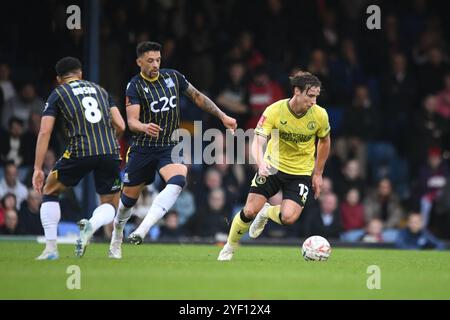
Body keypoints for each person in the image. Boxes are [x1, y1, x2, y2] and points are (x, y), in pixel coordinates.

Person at [109, 41, 237, 259]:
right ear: (139, 62)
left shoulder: (173, 77)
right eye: (150, 61)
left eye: (158, 59)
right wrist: (143, 126)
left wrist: (222, 116)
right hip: (142, 149)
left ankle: (143, 229)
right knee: (127, 203)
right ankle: (116, 237)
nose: (155, 64)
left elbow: (197, 97)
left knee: (178, 180)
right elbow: (131, 122)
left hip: (166, 146)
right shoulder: (134, 86)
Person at [218, 70, 331, 260]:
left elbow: (325, 141)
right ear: (297, 91)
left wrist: (318, 173)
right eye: (310, 96)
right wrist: (261, 163)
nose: (313, 101)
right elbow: (258, 139)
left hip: (300, 172)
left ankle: (267, 213)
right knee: (249, 210)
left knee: (289, 217)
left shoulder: (320, 115)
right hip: (272, 166)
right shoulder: (274, 110)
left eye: (316, 97)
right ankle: (229, 247)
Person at [32, 57, 125, 260]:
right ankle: (92, 224)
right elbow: (121, 125)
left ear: (59, 79)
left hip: (80, 150)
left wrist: (38, 168)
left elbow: (45, 131)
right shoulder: (101, 90)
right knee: (110, 202)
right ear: (80, 73)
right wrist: (108, 142)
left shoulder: (58, 93)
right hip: (109, 151)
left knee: (49, 190)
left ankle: (50, 250)